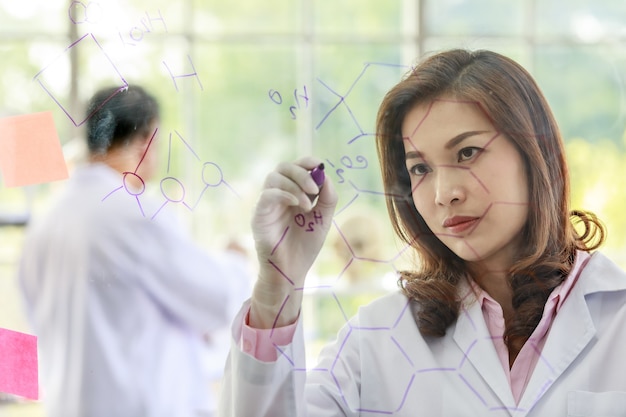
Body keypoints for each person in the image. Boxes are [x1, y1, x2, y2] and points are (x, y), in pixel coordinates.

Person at [218, 49, 626, 416]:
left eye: (467, 153)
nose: (444, 193)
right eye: (420, 168)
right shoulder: (378, 340)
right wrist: (278, 283)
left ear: (535, 154)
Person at [18, 85, 251, 417]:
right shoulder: (135, 214)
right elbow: (215, 301)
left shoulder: (46, 223)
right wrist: (235, 261)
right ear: (148, 139)